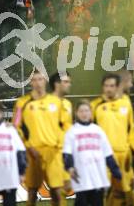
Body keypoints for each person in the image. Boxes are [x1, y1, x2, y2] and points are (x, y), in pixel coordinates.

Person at [12, 71, 70, 206]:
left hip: (54, 153)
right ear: (31, 83)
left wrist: (59, 145)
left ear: (45, 81)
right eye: (34, 80)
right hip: (33, 154)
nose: (38, 82)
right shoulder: (22, 103)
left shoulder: (56, 102)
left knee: (57, 191)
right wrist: (28, 145)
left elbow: (66, 126)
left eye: (40, 79)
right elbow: (16, 127)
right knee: (32, 191)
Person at [90, 73, 134, 206]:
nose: (109, 89)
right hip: (103, 156)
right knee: (103, 191)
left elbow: (131, 129)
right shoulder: (95, 106)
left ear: (117, 87)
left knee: (128, 191)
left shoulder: (125, 102)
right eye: (106, 86)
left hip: (124, 156)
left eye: (112, 86)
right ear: (102, 87)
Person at [63, 101, 122, 206]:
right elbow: (67, 154)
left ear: (91, 112)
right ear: (76, 113)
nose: (84, 113)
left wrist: (116, 171)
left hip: (97, 177)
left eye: (86, 111)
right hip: (81, 177)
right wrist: (70, 167)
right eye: (81, 111)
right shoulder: (72, 132)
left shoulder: (98, 130)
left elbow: (107, 153)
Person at [49, 72, 74, 206]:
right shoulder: (46, 103)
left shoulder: (68, 104)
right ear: (57, 84)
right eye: (66, 82)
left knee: (66, 187)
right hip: (52, 153)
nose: (69, 85)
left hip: (67, 151)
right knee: (58, 190)